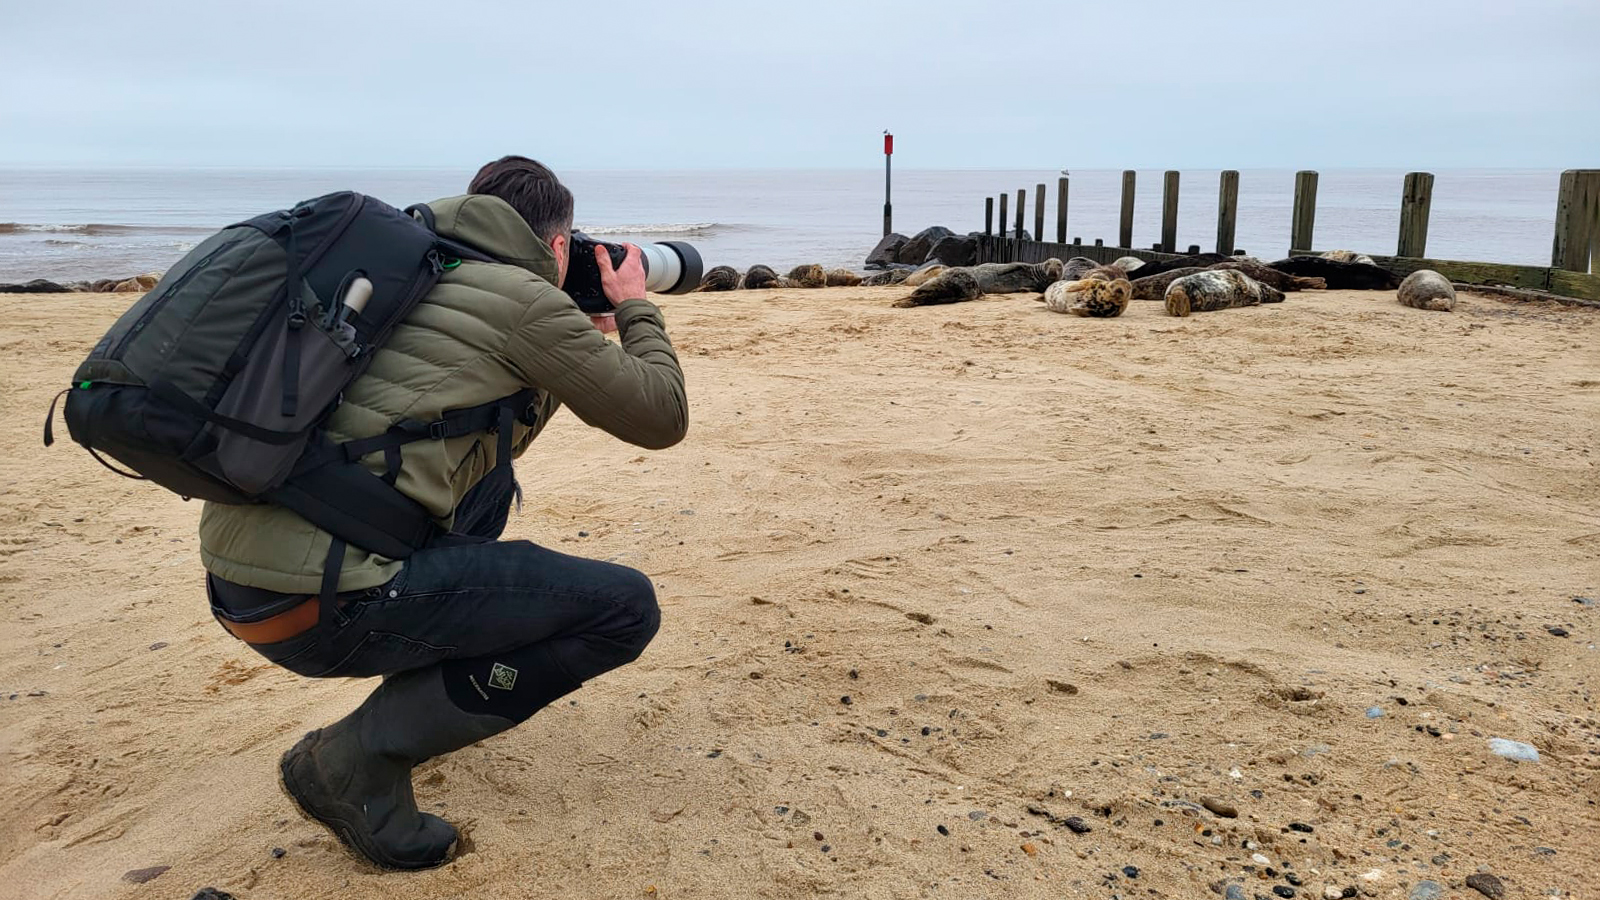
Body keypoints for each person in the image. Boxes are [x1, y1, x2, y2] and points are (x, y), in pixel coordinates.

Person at [198, 156, 688, 870]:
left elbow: (482, 431)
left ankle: (421, 693)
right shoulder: (523, 302)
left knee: (490, 487)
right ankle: (351, 761)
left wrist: (575, 343)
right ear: (557, 247)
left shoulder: (404, 271)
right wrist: (638, 307)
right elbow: (661, 415)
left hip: (244, 586)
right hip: (322, 607)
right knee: (623, 610)